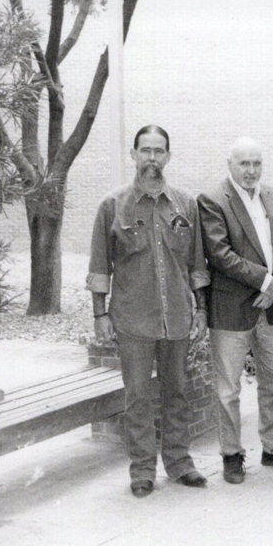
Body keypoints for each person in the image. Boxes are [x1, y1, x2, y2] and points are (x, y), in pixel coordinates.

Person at [87, 125, 210, 498]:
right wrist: (100, 314)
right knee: (138, 397)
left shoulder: (186, 205)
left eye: (159, 151)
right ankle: (142, 470)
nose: (152, 158)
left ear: (168, 156)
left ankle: (179, 463)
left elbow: (196, 264)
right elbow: (98, 266)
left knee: (177, 393)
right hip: (132, 319)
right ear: (133, 155)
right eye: (145, 151)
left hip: (176, 318)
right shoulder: (113, 205)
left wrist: (201, 310)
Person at [197, 137, 273, 485]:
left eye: (257, 163)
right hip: (231, 308)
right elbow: (220, 254)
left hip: (271, 307)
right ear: (229, 163)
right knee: (229, 388)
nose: (251, 170)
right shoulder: (212, 200)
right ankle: (231, 454)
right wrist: (264, 282)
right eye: (244, 163)